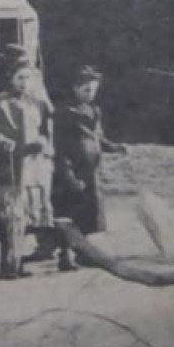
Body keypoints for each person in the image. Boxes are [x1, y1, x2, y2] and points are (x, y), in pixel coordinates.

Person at [0, 57, 56, 279]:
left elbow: (43, 129)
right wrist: (2, 140)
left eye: (28, 78)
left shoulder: (36, 103)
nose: (24, 83)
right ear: (10, 79)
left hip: (31, 165)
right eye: (19, 78)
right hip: (8, 164)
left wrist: (43, 143)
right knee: (8, 215)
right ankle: (6, 263)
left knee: (25, 215)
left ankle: (18, 260)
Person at [52, 66, 126, 270]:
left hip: (90, 170)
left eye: (93, 90)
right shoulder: (64, 112)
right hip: (71, 169)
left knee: (87, 213)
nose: (90, 94)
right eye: (86, 90)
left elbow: (97, 137)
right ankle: (64, 255)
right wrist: (66, 173)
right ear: (75, 88)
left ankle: (83, 252)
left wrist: (112, 146)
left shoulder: (94, 110)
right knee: (67, 213)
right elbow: (59, 146)